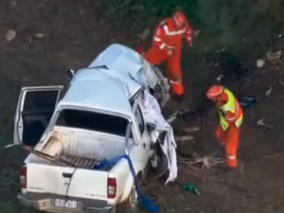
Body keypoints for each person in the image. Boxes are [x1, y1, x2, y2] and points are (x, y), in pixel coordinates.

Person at [142, 10, 193, 100]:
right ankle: (141, 78)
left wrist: (189, 40)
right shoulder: (164, 27)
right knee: (147, 62)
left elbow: (188, 31)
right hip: (161, 49)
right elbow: (157, 41)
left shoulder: (183, 25)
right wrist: (167, 49)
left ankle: (179, 94)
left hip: (175, 50)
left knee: (175, 73)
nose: (179, 28)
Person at [206, 85, 243, 170]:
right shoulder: (224, 91)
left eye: (213, 98)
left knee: (230, 149)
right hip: (227, 122)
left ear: (218, 97)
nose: (211, 100)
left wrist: (227, 130)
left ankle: (232, 167)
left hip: (233, 124)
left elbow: (230, 120)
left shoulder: (228, 108)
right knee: (219, 135)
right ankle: (223, 147)